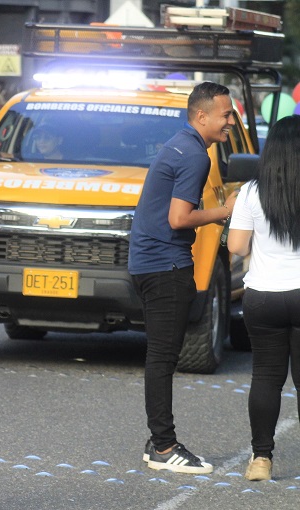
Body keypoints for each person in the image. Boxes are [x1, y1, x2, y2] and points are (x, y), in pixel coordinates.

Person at [129, 81, 238, 474]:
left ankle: (156, 441)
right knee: (162, 358)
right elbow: (179, 218)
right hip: (165, 265)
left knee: (160, 355)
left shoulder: (178, 142)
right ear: (202, 115)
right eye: (226, 115)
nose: (231, 121)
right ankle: (163, 446)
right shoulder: (195, 155)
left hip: (147, 263)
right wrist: (223, 212)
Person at [227, 115, 300, 482]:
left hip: (263, 296)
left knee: (267, 377)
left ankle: (261, 459)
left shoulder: (252, 191)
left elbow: (237, 246)